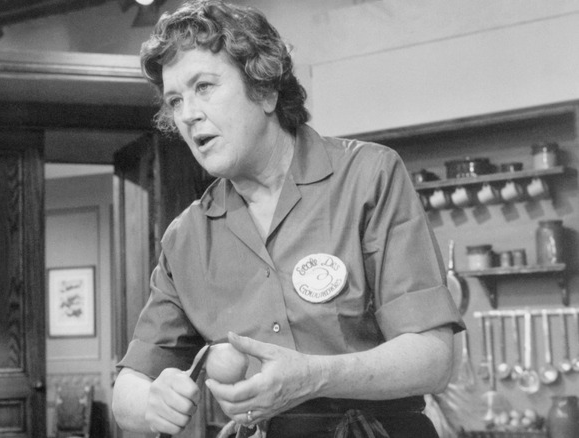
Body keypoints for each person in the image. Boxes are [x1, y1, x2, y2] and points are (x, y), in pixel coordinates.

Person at [111, 1, 465, 437]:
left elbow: (434, 359)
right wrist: (151, 403)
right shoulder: (185, 238)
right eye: (175, 100)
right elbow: (127, 389)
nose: (187, 113)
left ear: (264, 89)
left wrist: (314, 376)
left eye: (204, 86)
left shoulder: (369, 176)